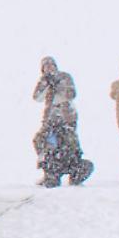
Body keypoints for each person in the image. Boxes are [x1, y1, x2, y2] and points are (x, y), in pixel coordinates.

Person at [32, 57, 92, 187]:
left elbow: (71, 94)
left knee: (69, 144)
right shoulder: (44, 80)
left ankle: (73, 171)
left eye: (51, 65)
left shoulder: (65, 77)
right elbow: (37, 97)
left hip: (67, 118)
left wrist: (58, 86)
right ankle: (50, 173)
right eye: (46, 66)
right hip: (50, 119)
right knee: (43, 142)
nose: (49, 68)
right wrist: (46, 84)